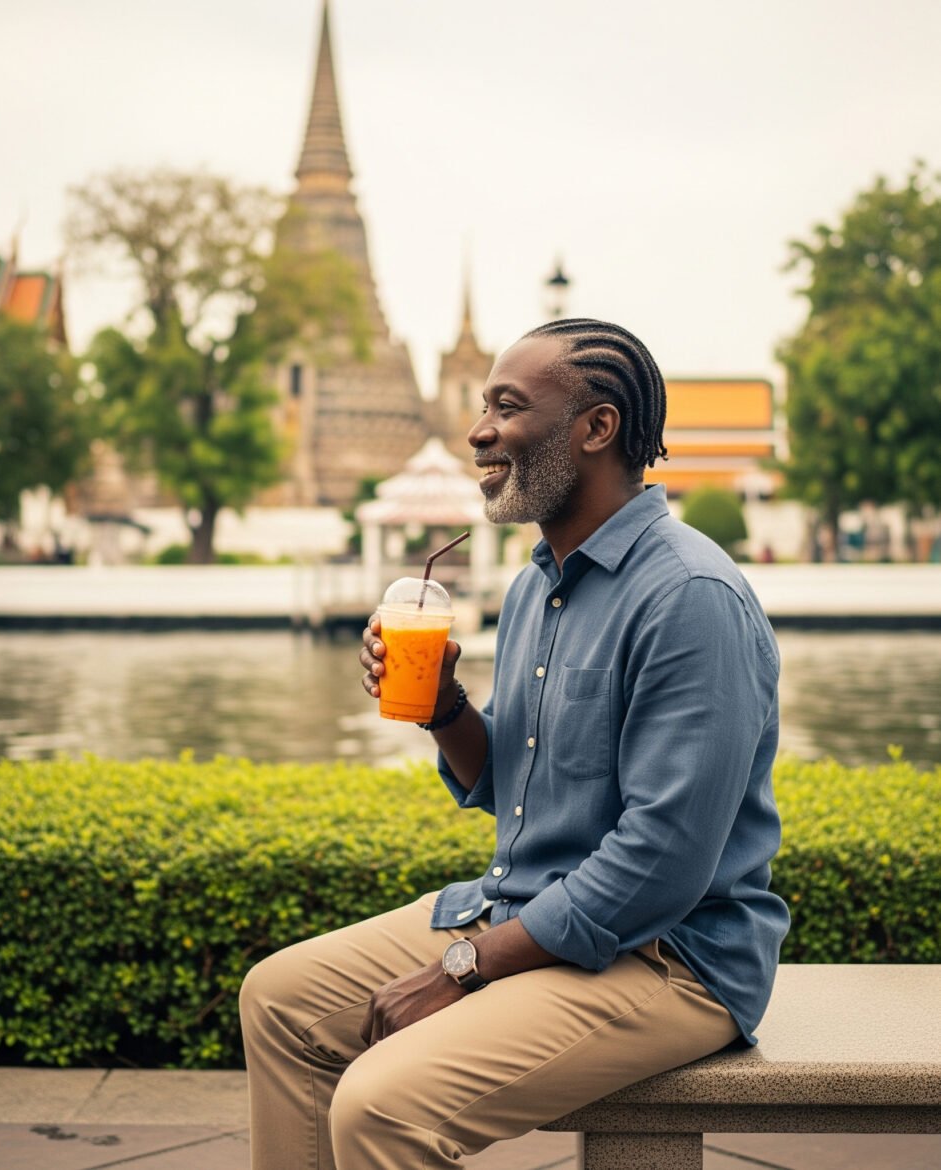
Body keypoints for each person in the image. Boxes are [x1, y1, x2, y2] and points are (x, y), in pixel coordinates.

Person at [240, 318, 788, 1170]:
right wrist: (443, 704)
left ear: (596, 429)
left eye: (506, 406)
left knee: (384, 1106)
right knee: (280, 1001)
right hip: (530, 912)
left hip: (669, 957)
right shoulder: (539, 583)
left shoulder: (689, 597)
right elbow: (512, 782)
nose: (477, 428)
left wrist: (463, 966)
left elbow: (662, 864)